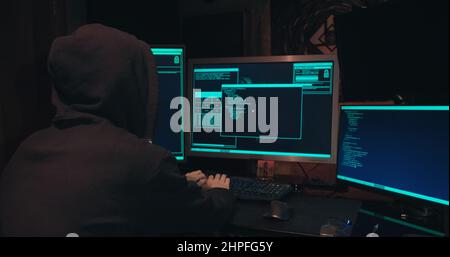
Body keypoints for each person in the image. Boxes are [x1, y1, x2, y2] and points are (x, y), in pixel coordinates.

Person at [0, 24, 234, 236]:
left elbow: (96, 196)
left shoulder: (27, 149)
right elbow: (204, 217)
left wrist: (176, 183)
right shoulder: (141, 161)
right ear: (130, 85)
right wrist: (219, 191)